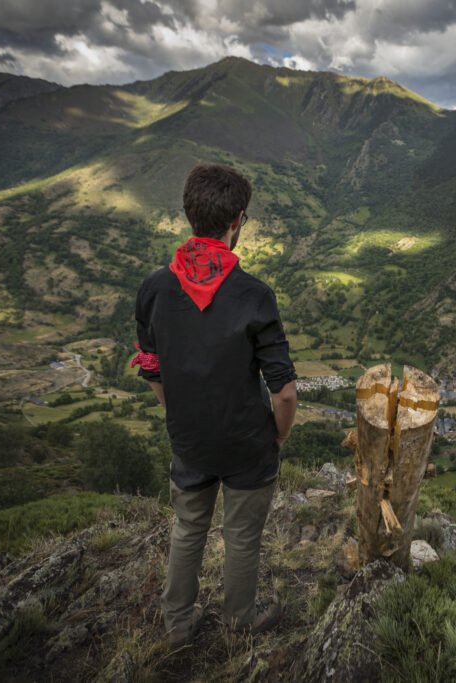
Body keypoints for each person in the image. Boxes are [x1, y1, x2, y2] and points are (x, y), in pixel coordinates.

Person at [132, 163, 297, 647]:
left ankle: (177, 626)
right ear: (238, 221)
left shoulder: (155, 290)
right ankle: (239, 618)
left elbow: (152, 370)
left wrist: (178, 413)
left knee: (188, 529)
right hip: (248, 441)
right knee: (241, 536)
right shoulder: (254, 295)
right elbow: (284, 391)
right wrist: (278, 435)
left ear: (188, 215)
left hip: (189, 438)